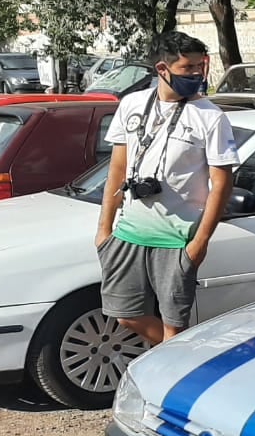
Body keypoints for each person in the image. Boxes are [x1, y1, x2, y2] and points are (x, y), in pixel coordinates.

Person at [95, 31, 238, 347]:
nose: (198, 75)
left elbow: (222, 184)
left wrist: (199, 243)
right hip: (128, 234)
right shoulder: (132, 104)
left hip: (177, 240)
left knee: (174, 326)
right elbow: (117, 169)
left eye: (200, 67)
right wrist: (104, 229)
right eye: (188, 68)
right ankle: (182, 357)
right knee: (125, 314)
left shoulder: (210, 117)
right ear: (163, 69)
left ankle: (175, 367)